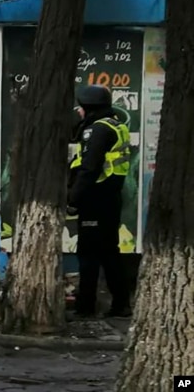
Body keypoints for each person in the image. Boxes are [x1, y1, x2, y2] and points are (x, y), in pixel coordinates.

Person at [67, 84, 132, 318]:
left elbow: (89, 169)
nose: (79, 111)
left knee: (88, 255)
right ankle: (121, 305)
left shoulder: (97, 130)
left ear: (89, 107)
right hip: (111, 197)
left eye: (81, 107)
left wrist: (73, 198)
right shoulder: (115, 124)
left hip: (95, 198)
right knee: (109, 253)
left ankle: (85, 308)